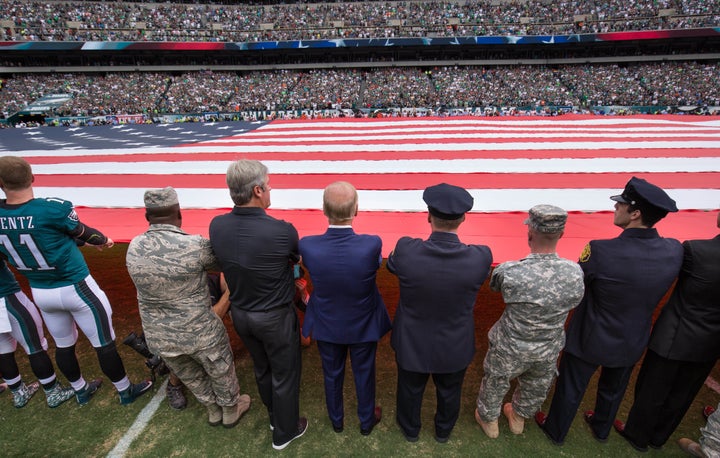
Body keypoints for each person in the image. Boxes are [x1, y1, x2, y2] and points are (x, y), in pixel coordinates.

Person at [535, 176, 684, 445]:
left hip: (591, 332)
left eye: (622, 205)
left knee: (571, 386)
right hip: (634, 334)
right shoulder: (674, 250)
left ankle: (556, 429)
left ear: (635, 213)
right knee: (614, 387)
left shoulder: (600, 249)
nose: (616, 208)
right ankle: (602, 427)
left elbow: (579, 284)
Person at [0, 155, 151, 406]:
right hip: (76, 286)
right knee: (103, 343)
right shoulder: (51, 208)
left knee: (63, 345)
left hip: (41, 290)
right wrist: (102, 240)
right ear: (33, 178)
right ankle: (125, 390)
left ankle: (80, 389)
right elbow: (83, 232)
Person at [126, 187, 251, 427]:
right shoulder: (194, 245)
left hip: (160, 335)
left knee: (190, 375)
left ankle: (213, 410)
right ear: (179, 213)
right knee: (220, 368)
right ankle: (230, 409)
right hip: (199, 331)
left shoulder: (134, 248)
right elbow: (225, 262)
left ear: (146, 216)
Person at [209, 159, 307, 450]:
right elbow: (295, 260)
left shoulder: (217, 225)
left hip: (241, 315)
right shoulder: (282, 230)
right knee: (285, 375)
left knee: (262, 369)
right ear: (257, 190)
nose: (270, 188)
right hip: (275, 317)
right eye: (268, 184)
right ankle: (285, 432)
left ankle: (276, 418)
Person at [387, 183, 493, 443]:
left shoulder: (406, 249)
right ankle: (443, 431)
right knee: (450, 390)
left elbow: (391, 266)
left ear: (428, 215)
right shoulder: (480, 257)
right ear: (463, 218)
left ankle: (410, 429)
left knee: (410, 389)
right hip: (454, 343)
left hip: (412, 340)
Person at [613, 208, 720, 452]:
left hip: (675, 334)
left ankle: (637, 435)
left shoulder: (695, 249)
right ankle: (659, 437)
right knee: (684, 392)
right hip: (711, 341)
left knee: (652, 387)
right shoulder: (697, 250)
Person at [475, 205, 584, 438]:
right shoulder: (575, 272)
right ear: (561, 235)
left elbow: (495, 288)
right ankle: (518, 417)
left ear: (529, 233)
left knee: (496, 379)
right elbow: (575, 299)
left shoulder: (511, 271)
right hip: (547, 345)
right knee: (536, 384)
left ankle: (489, 419)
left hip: (510, 344)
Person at [299, 181, 391, 435]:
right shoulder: (372, 243)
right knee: (364, 373)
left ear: (324, 210)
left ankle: (337, 420)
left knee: (332, 373)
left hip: (327, 322)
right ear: (356, 210)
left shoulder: (307, 245)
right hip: (362, 322)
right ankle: (365, 420)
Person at [0, 261, 76, 408]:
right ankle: (53, 392)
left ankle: (19, 393)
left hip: (5, 296)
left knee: (3, 350)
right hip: (7, 296)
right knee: (35, 347)